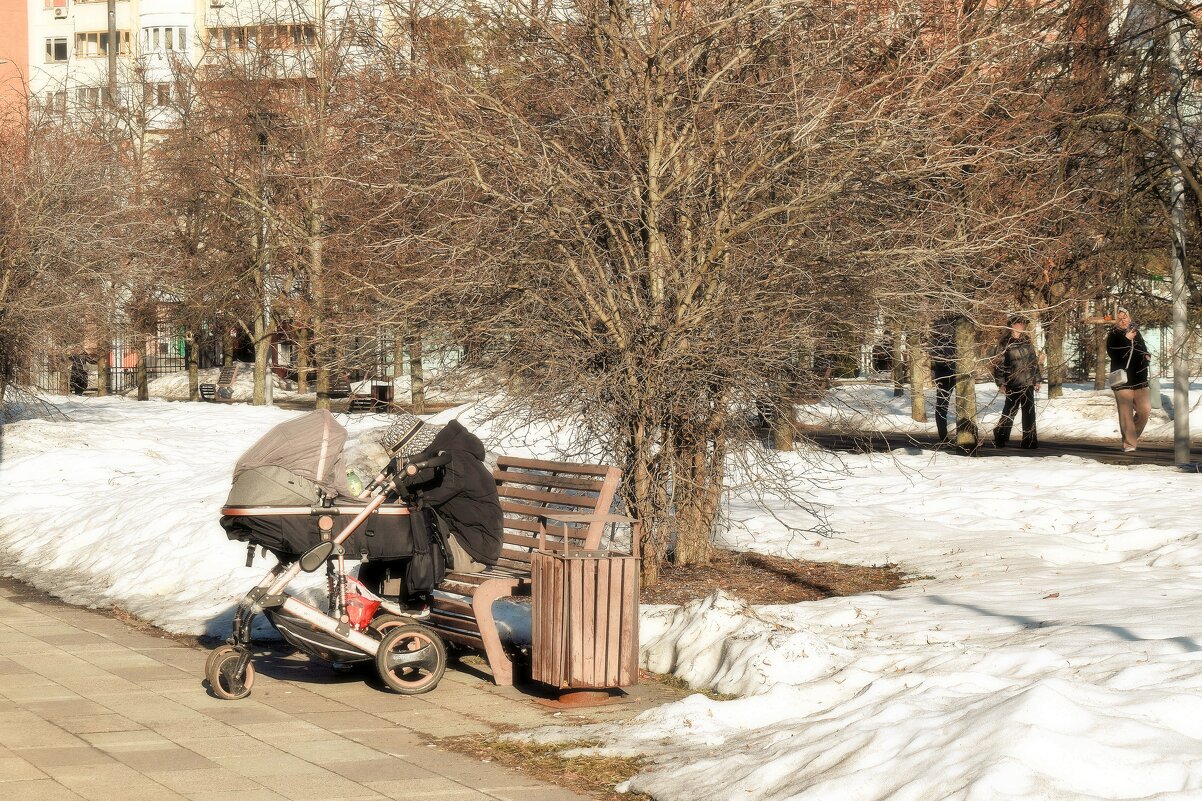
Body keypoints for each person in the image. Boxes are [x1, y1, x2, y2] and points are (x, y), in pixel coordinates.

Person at [362, 413, 503, 617]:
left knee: (406, 530)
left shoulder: (452, 463)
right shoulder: (447, 457)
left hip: (474, 550)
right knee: (388, 536)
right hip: (459, 539)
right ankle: (372, 604)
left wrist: (400, 486)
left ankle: (407, 605)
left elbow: (421, 500)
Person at [1106, 307, 1152, 452]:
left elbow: (1142, 349)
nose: (1123, 320)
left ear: (1130, 318)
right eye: (1120, 318)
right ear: (1116, 321)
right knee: (1125, 413)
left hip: (1139, 378)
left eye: (1125, 317)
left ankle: (1130, 435)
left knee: (1145, 410)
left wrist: (1146, 357)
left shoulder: (1136, 333)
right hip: (1122, 380)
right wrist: (1126, 340)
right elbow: (1114, 354)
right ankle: (1129, 443)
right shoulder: (1113, 334)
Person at [991, 315, 1040, 449]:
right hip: (1012, 382)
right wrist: (1001, 382)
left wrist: (1037, 379)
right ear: (1012, 325)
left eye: (1023, 324)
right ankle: (1000, 434)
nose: (1022, 326)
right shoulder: (1005, 343)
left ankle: (1029, 440)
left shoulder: (1027, 340)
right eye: (1019, 323)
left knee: (1029, 412)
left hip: (1028, 381)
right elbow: (998, 364)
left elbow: (1033, 361)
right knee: (1010, 411)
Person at [929, 316, 958, 443]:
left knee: (943, 407)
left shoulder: (956, 323)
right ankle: (944, 437)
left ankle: (946, 437)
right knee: (942, 407)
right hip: (946, 373)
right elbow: (936, 356)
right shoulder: (942, 329)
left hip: (952, 372)